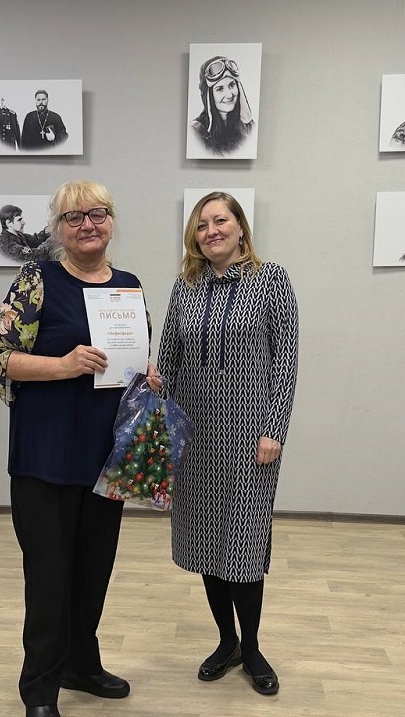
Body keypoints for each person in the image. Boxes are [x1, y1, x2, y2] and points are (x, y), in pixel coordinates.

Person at [0, 180, 159, 717]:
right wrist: (62, 365)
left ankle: (82, 664)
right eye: (74, 217)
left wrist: (147, 375)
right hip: (46, 457)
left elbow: (131, 360)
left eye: (97, 214)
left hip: (107, 458)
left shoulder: (128, 286)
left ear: (112, 221)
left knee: (93, 571)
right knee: (50, 577)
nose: (88, 225)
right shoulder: (37, 279)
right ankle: (39, 688)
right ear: (58, 229)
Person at [156, 191, 298, 698]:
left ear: (240, 227)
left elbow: (285, 362)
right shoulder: (186, 287)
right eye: (202, 224)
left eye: (220, 220)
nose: (211, 231)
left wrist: (274, 429)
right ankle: (227, 641)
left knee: (243, 543)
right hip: (195, 438)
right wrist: (156, 408)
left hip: (249, 436)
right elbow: (168, 358)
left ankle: (252, 647)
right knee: (206, 542)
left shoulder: (272, 280)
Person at [191, 56, 256, 156]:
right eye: (220, 89)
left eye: (232, 85)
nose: (229, 95)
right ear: (208, 96)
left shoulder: (249, 127)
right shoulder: (195, 132)